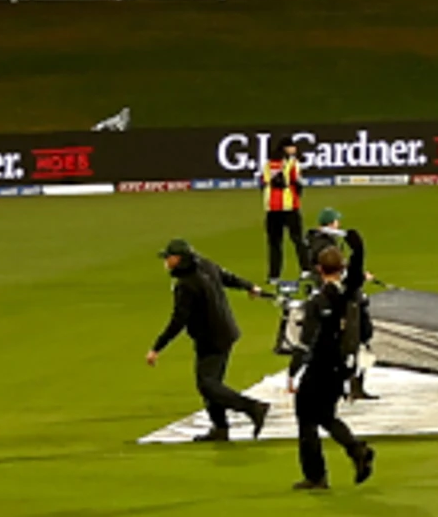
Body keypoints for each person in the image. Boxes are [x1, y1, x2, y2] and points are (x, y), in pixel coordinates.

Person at [147, 239, 274, 443]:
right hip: (224, 331)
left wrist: (157, 347)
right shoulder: (205, 265)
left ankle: (253, 408)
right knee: (212, 384)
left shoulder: (186, 285)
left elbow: (179, 320)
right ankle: (221, 428)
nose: (165, 261)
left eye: (168, 257)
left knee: (207, 384)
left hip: (212, 337)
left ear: (178, 259)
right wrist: (250, 287)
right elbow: (228, 278)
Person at [290, 246, 374, 492]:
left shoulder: (319, 300)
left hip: (320, 366)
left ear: (319, 269)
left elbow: (307, 339)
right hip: (344, 365)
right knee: (325, 414)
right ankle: (356, 449)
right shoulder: (355, 297)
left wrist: (294, 368)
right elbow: (367, 332)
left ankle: (316, 476)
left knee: (306, 415)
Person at [304, 208, 375, 398]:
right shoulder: (323, 245)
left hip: (339, 296)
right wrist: (357, 273)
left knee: (356, 340)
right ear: (332, 223)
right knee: (354, 338)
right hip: (341, 299)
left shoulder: (321, 242)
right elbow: (333, 270)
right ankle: (349, 384)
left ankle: (353, 384)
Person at [261, 133, 312, 279]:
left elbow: (265, 181)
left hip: (272, 207)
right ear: (286, 148)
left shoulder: (268, 164)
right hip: (289, 206)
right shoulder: (292, 163)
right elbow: (297, 181)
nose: (294, 149)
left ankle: (274, 275)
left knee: (275, 243)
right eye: (291, 146)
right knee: (298, 239)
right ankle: (306, 269)